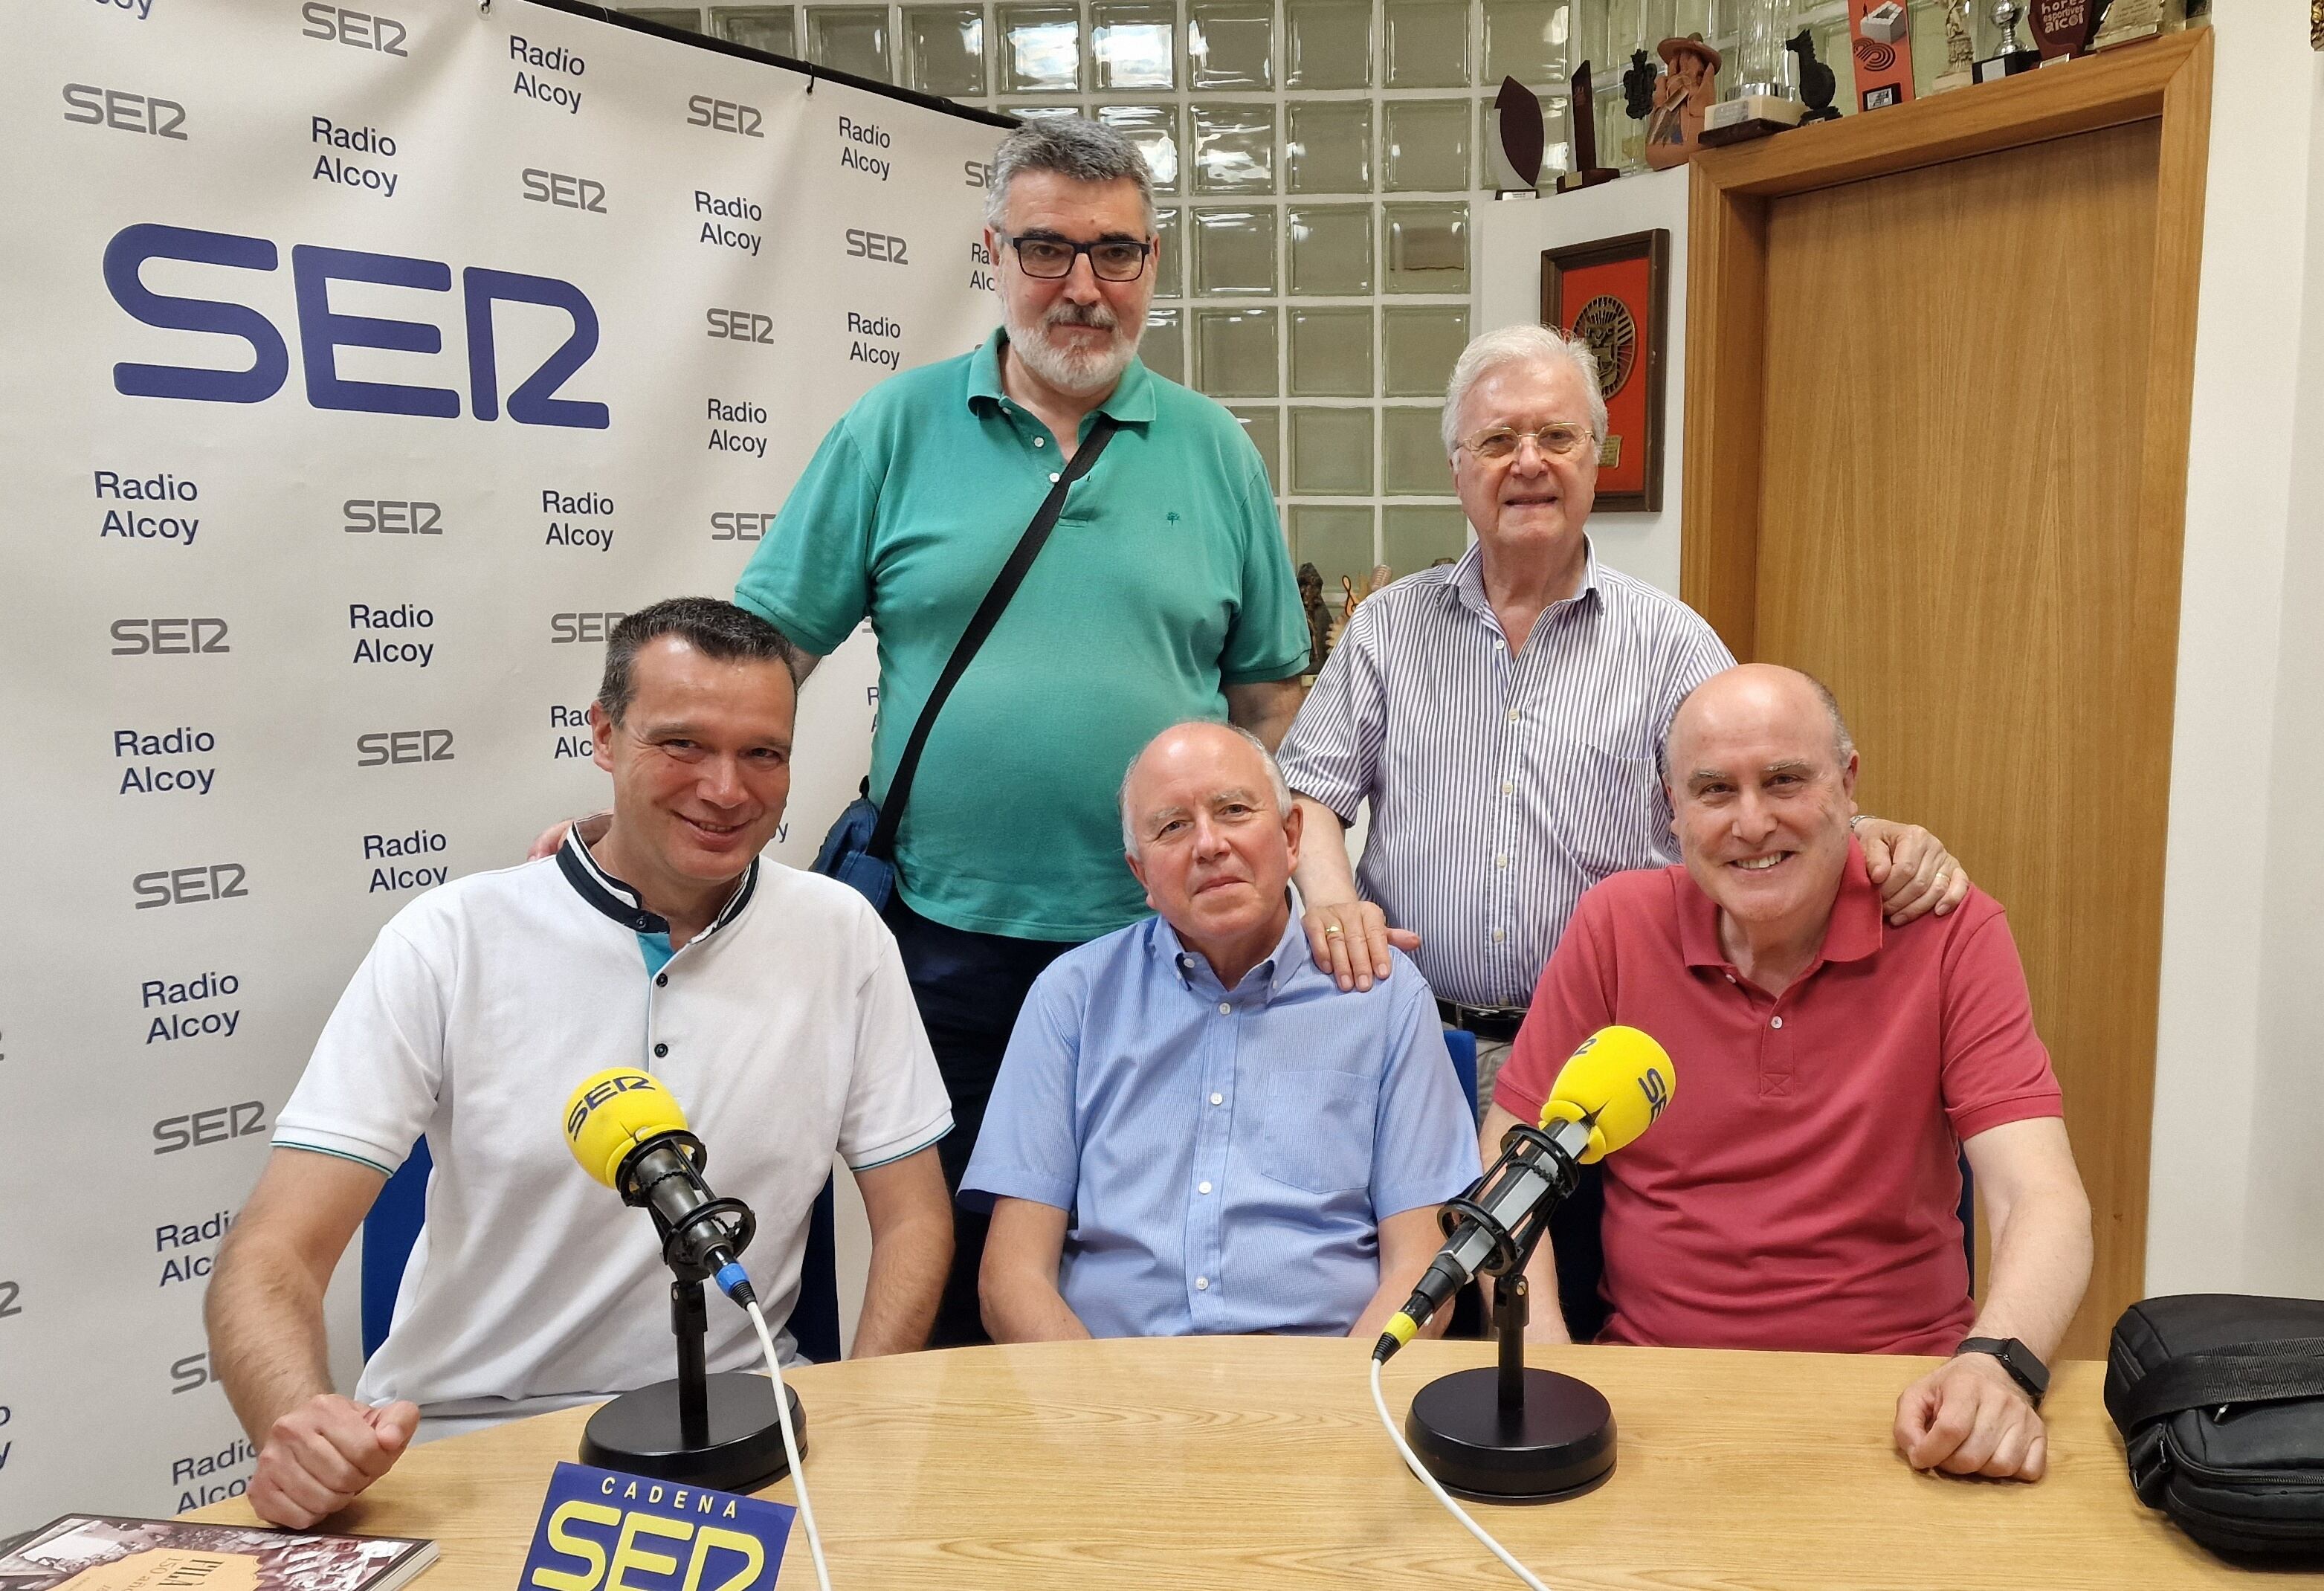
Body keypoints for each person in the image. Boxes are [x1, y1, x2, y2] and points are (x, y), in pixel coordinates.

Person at [720, 115, 1310, 1346]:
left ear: (1152, 264)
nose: (1083, 288)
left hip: (1168, 956)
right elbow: (760, 659)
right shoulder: (892, 431)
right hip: (941, 953)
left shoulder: (1216, 454)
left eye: (1115, 254)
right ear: (991, 252)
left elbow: (1267, 701)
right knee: (949, 1273)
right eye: (1046, 250)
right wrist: (653, 837)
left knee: (1150, 1264)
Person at [209, 599, 955, 1528]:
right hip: (470, 1440)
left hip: (746, 1434)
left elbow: (915, 1219)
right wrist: (298, 1426)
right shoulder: (451, 939)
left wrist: (860, 1411)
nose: (727, 789)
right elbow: (272, 1251)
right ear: (603, 736)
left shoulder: (843, 936)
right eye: (682, 744)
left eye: (763, 752)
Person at [1277, 323, 1966, 1111]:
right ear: (1458, 469)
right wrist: (1332, 905)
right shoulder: (1386, 629)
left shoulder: (1671, 643)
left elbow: (1753, 802)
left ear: (1595, 460)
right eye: (1498, 439)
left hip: (1610, 1057)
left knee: (1600, 1243)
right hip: (1414, 1041)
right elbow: (1312, 794)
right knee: (1428, 1240)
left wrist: (1865, 834)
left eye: (1557, 436)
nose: (1528, 461)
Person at [1485, 664, 2093, 1482]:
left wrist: (1994, 1365)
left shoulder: (1950, 931)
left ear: (1847, 786)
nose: (1752, 821)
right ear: (1673, 810)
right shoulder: (1616, 927)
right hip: (1652, 1397)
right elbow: (1513, 1158)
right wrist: (1548, 1360)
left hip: (1904, 1398)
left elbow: (2040, 1194)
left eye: (1784, 780)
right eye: (1713, 790)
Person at [962, 722, 1482, 1341]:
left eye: (1234, 810)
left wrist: (1338, 1418)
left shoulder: (1382, 995)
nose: (1209, 845)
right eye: (1172, 827)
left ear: (1292, 838)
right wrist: (1099, 1421)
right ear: (1140, 874)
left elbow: (1421, 1273)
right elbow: (1013, 1279)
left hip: (1318, 1390)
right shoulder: (1071, 997)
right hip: (1113, 1388)